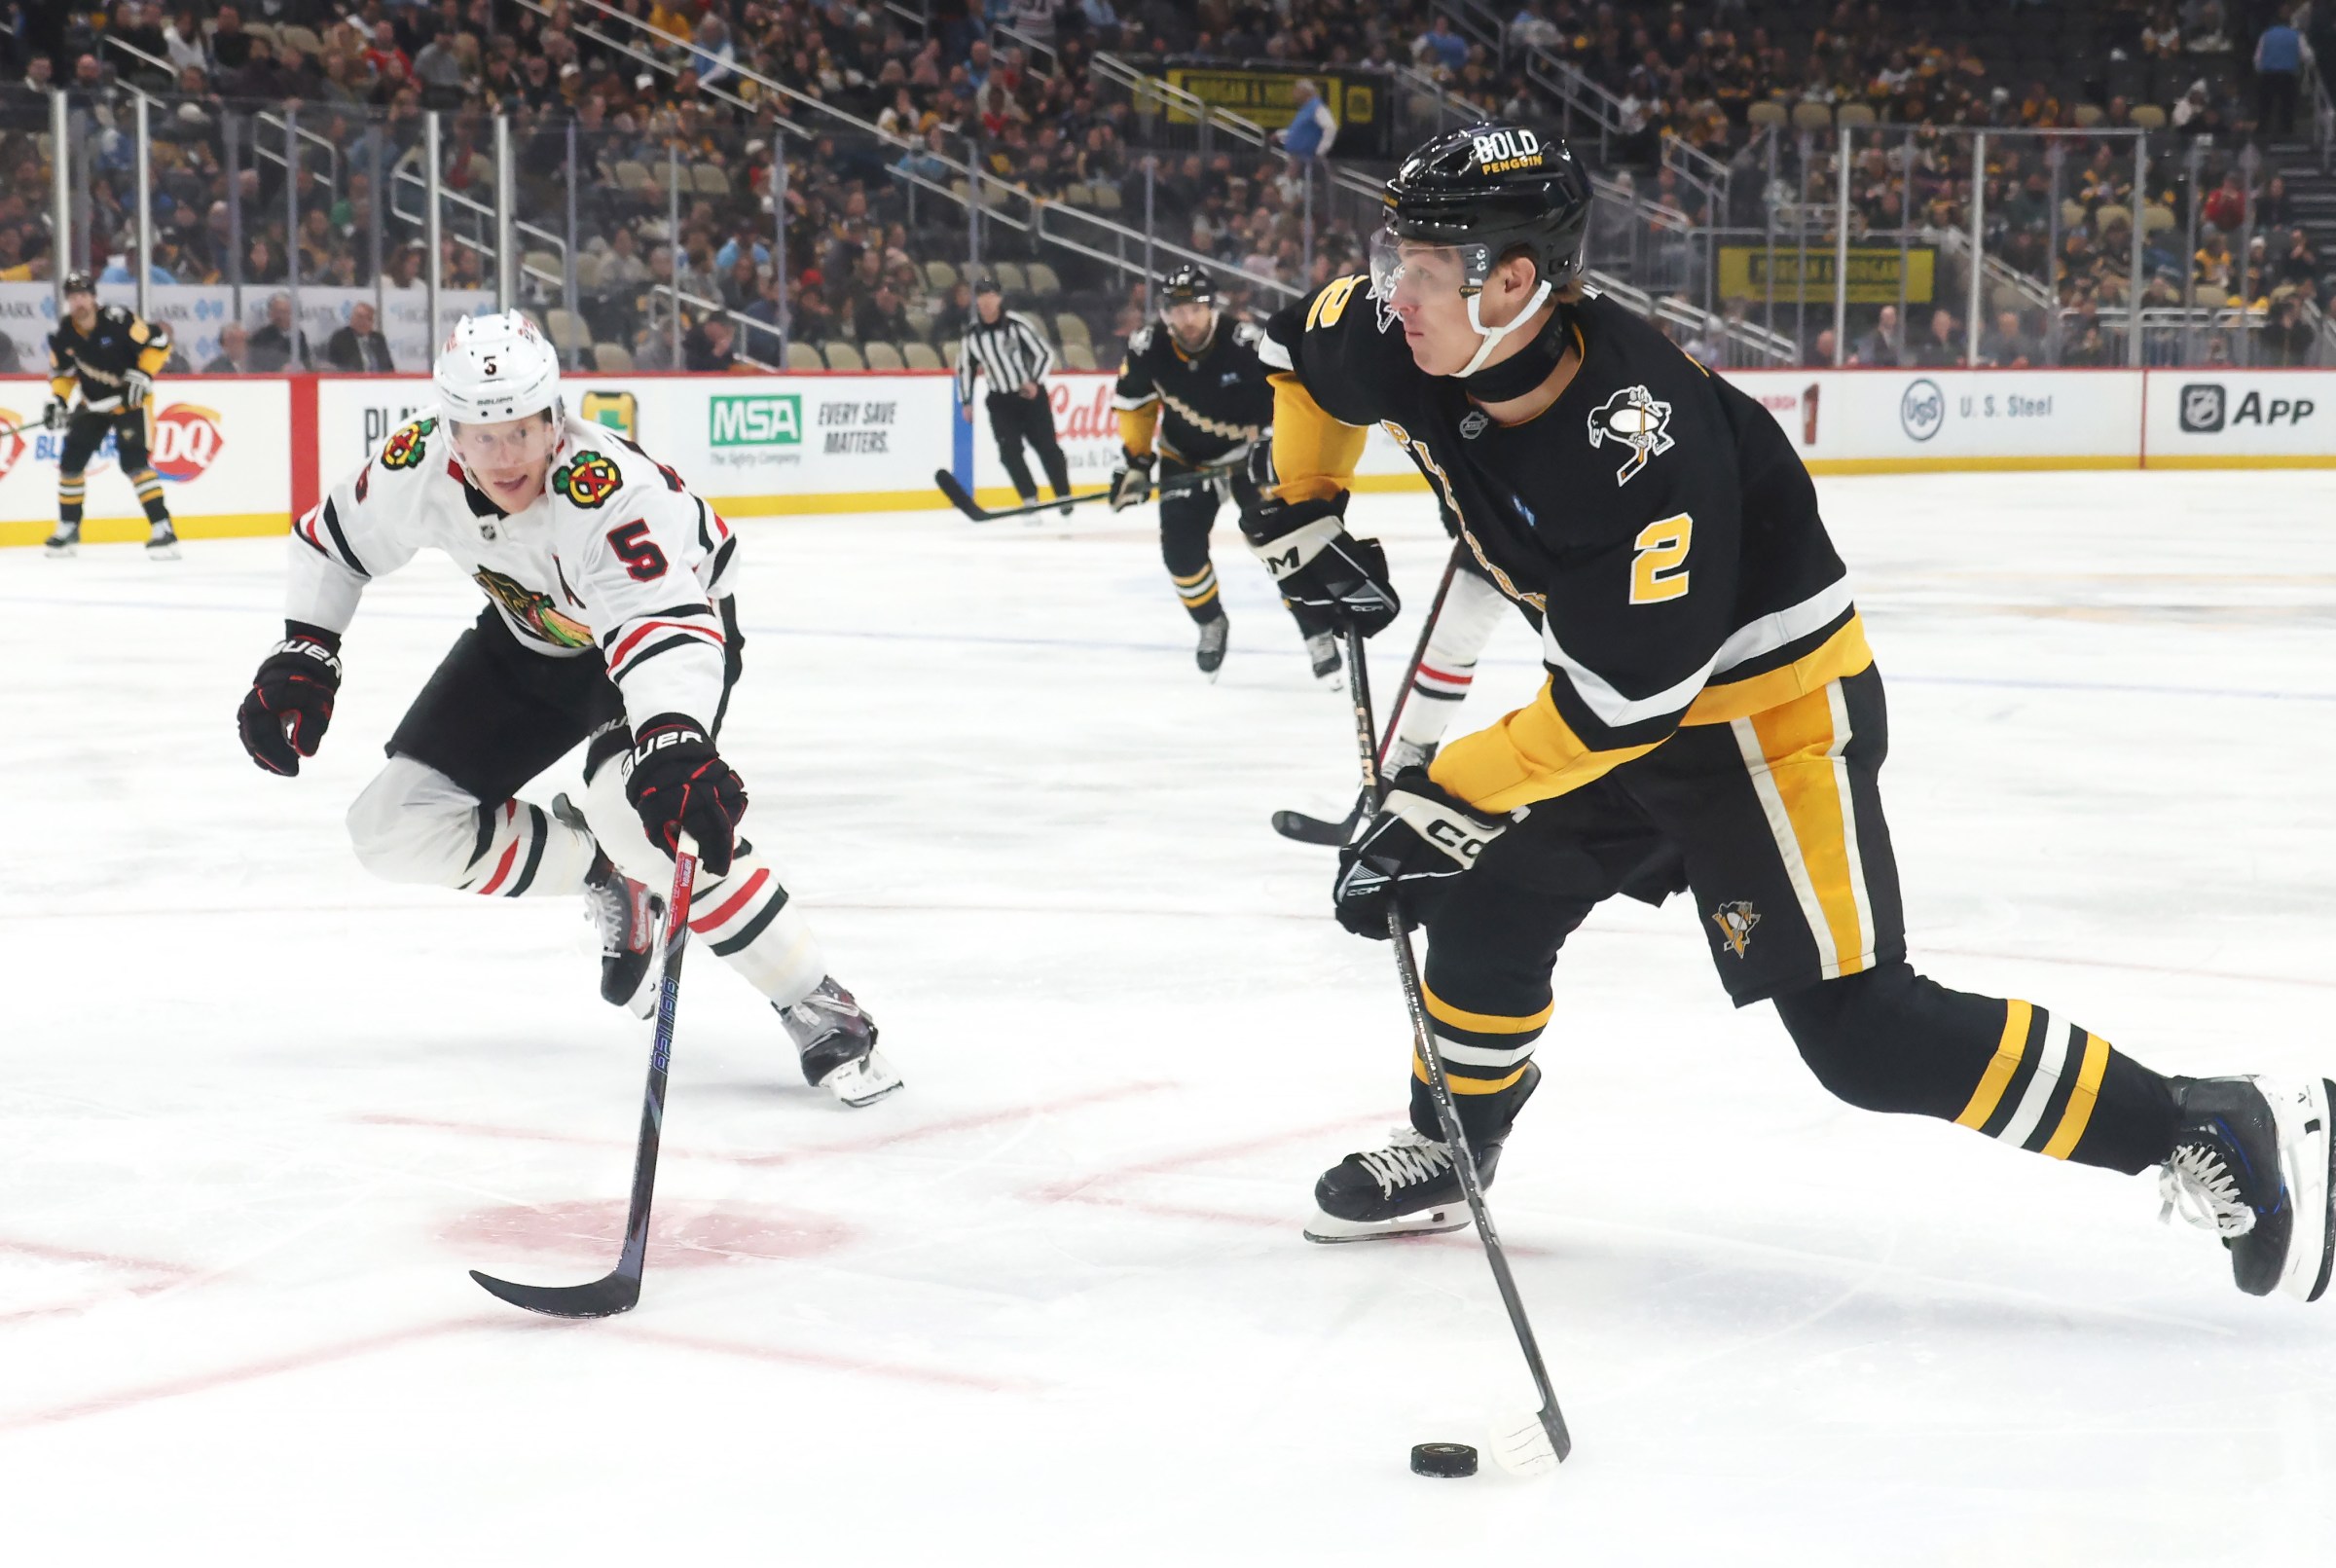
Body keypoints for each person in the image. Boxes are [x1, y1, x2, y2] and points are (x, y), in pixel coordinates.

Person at [1243, 122, 2336, 1307]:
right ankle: (1453, 1144)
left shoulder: (1645, 448)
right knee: (1487, 910)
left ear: (1512, 283)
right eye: (1394, 257)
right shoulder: (1407, 332)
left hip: (1766, 727)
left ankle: (2205, 1123)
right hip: (1628, 705)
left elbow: (1620, 708)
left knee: (1865, 1037)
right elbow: (1292, 354)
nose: (1391, 291)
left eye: (1419, 266)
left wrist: (1445, 798)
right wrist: (1303, 506)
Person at [230, 311, 900, 1109]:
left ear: (554, 418)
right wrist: (307, 649)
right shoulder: (418, 463)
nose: (504, 456)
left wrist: (673, 740)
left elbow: (662, 622)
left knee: (636, 811)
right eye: (482, 436)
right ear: (451, 433)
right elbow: (332, 541)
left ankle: (815, 999)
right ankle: (606, 874)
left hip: (664, 631)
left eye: (521, 430)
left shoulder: (606, 492)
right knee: (391, 827)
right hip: (535, 636)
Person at [1109, 265, 1338, 682]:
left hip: (1250, 458)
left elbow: (1288, 395)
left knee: (1282, 545)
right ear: (1165, 313)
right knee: (1180, 554)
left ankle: (1316, 630)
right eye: (1178, 311)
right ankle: (1210, 622)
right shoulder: (1147, 347)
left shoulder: (1245, 342)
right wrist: (1137, 462)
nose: (1188, 319)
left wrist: (1272, 442)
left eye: (1195, 308)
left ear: (1212, 308)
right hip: (1186, 458)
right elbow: (1135, 407)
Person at [41, 270, 180, 561]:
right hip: (93, 403)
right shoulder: (64, 334)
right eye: (73, 296)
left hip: (130, 403)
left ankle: (163, 528)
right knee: (71, 462)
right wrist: (58, 400)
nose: (79, 301)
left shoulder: (119, 320)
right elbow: (63, 374)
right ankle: (68, 528)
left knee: (135, 463)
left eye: (83, 295)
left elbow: (159, 343)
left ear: (94, 297)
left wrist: (143, 374)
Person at [953, 276, 1070, 513]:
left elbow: (1044, 353)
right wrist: (966, 401)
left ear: (999, 298)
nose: (986, 301)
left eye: (991, 296)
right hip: (1000, 401)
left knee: (1047, 447)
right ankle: (1029, 497)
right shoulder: (973, 335)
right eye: (982, 296)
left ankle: (1063, 495)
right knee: (1009, 452)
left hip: (1029, 397)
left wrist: (1035, 381)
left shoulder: (1017, 325)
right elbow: (965, 368)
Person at [1275, 79, 1339, 164]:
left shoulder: (1317, 108)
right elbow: (1297, 131)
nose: (1293, 93)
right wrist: (1278, 135)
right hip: (1296, 160)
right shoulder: (1304, 110)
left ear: (1306, 93)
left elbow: (1330, 128)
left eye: (1297, 90)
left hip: (1308, 161)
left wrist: (1320, 151)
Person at [325, 301, 396, 371]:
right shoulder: (341, 338)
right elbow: (336, 368)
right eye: (360, 317)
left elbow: (389, 368)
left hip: (379, 378)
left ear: (372, 322)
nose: (363, 322)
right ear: (352, 319)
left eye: (368, 318)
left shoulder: (378, 339)